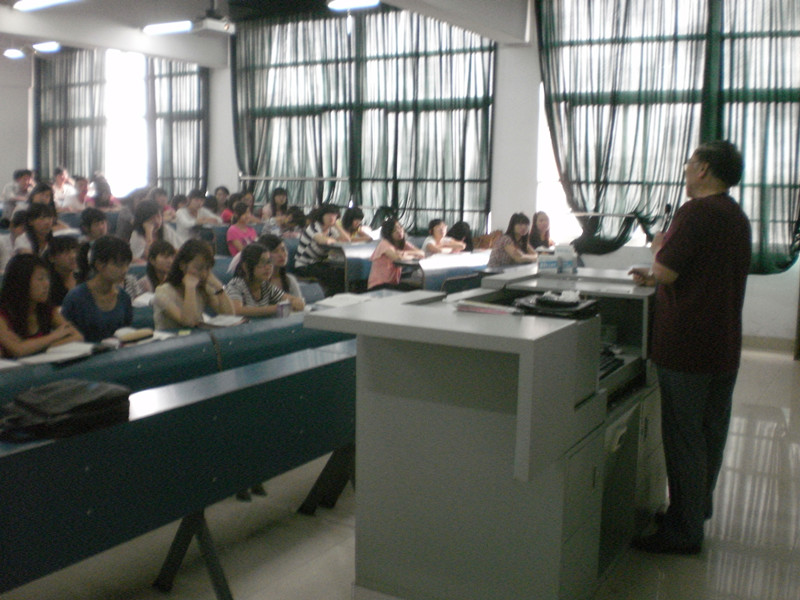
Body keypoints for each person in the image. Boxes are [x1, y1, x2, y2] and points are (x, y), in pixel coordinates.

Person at [629, 140, 751, 555]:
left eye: (690, 162)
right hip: (723, 344)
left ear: (703, 169)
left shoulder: (696, 212)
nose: (685, 168)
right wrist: (659, 274)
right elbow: (704, 272)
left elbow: (666, 269)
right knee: (710, 433)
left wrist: (657, 246)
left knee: (683, 437)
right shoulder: (736, 216)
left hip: (687, 346)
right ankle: (695, 510)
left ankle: (683, 532)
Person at [0, 254, 83, 358]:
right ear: (22, 282)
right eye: (40, 279)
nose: (46, 284)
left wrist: (38, 347)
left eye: (47, 278)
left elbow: (77, 336)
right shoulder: (3, 314)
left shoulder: (46, 309)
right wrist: (54, 336)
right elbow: (18, 350)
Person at [61, 235, 134, 342]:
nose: (125, 270)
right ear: (99, 265)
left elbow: (127, 333)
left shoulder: (124, 297)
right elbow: (66, 336)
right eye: (119, 265)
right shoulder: (76, 298)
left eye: (127, 265)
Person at [152, 239, 234, 330]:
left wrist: (219, 288)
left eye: (207, 268)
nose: (204, 274)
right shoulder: (163, 291)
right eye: (199, 268)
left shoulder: (203, 287)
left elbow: (229, 315)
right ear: (182, 266)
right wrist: (190, 288)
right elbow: (189, 322)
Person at [225, 243, 304, 317]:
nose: (268, 267)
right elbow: (236, 310)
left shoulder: (265, 286)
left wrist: (296, 301)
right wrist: (275, 308)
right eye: (262, 263)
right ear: (245, 267)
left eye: (269, 262)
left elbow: (290, 299)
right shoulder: (235, 285)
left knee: (308, 320)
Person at [294, 203, 346, 296]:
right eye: (329, 215)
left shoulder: (331, 229)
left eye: (334, 215)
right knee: (333, 275)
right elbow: (322, 241)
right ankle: (331, 298)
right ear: (322, 216)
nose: (332, 218)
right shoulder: (313, 227)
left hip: (318, 263)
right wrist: (334, 240)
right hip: (304, 265)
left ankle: (339, 298)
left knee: (343, 272)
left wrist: (337, 226)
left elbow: (347, 240)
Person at [367, 217, 424, 290]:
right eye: (394, 230)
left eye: (400, 228)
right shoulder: (384, 244)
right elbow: (397, 258)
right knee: (413, 290)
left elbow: (421, 253)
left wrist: (404, 253)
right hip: (378, 285)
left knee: (418, 288)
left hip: (392, 283)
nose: (399, 231)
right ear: (388, 233)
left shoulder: (403, 243)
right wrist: (412, 256)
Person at [258, 233, 305, 302]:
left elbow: (299, 303)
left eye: (283, 250)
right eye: (275, 251)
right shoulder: (257, 283)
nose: (281, 255)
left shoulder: (289, 280)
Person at [44, 234, 79, 306]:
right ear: (52, 258)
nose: (73, 256)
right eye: (66, 252)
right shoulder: (49, 286)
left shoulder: (82, 279)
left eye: (74, 251)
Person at [76, 207, 108, 282]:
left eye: (103, 223)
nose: (101, 227)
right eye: (96, 225)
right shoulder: (82, 246)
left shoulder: (111, 242)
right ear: (86, 228)